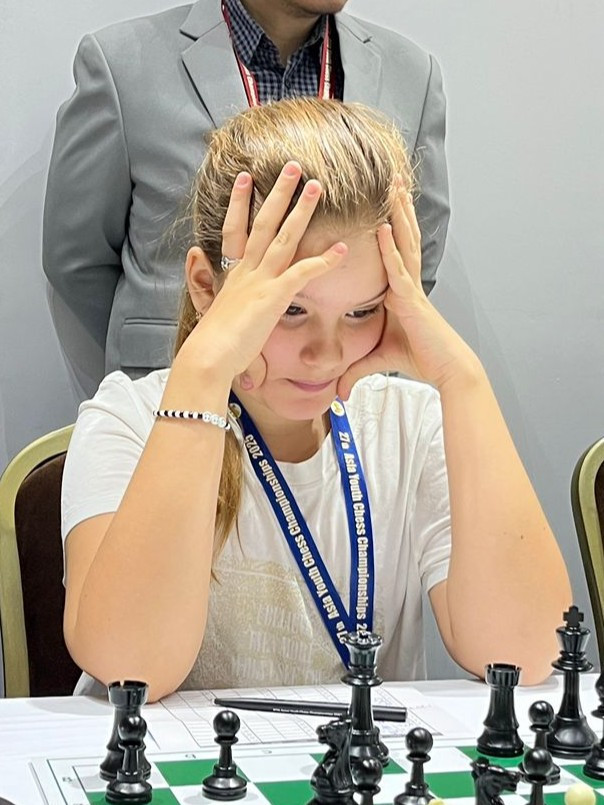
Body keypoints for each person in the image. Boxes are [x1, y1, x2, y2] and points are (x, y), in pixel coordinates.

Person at [61, 98, 570, 702]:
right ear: (206, 286)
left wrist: (463, 381)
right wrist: (202, 371)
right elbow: (131, 668)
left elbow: (522, 653)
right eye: (291, 309)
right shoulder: (127, 420)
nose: (325, 355)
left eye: (362, 311)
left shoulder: (411, 425)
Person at [42, 0, 449, 379]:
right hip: (172, 387)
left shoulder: (412, 75)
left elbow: (417, 254)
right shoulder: (122, 66)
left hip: (341, 394)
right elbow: (77, 260)